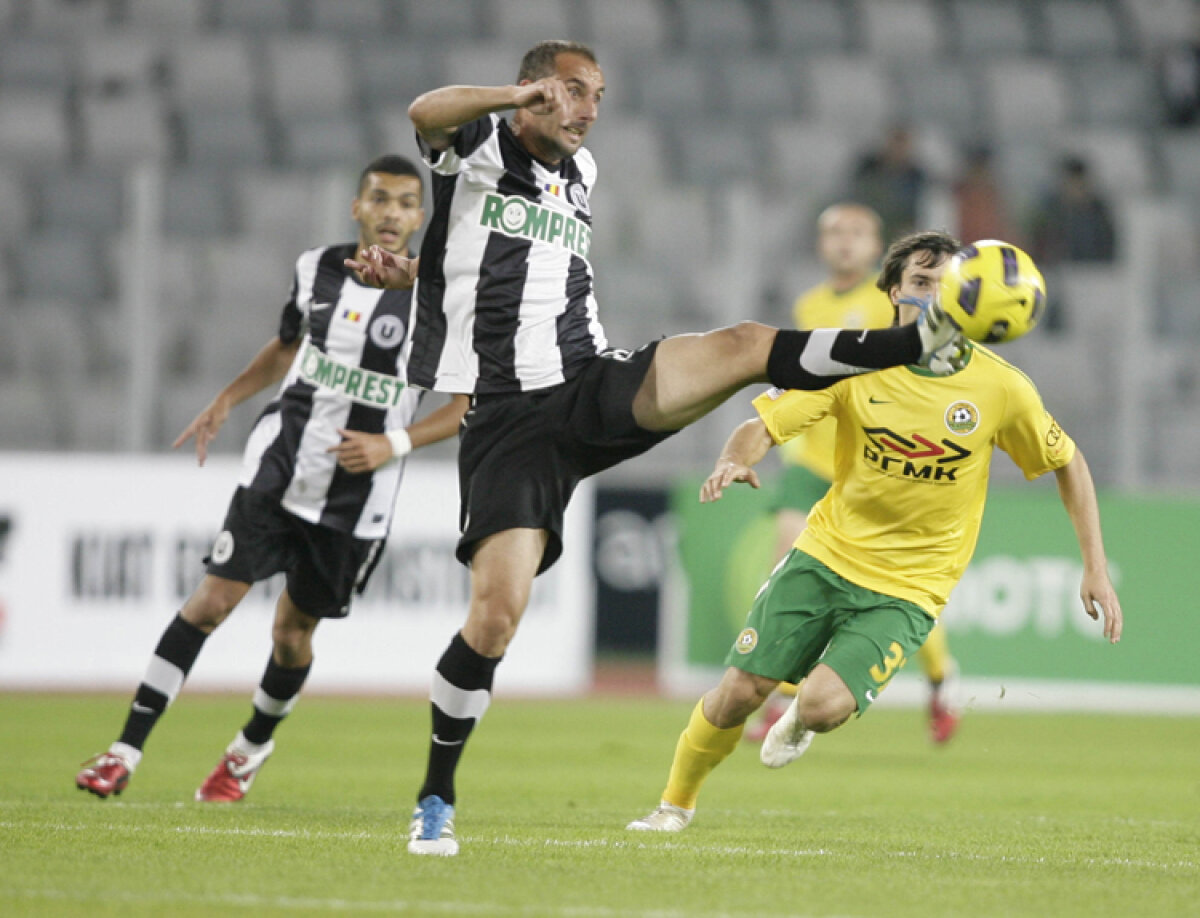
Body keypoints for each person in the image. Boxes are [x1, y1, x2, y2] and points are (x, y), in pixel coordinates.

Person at [346, 40, 966, 856]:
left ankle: (914, 341)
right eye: (573, 91)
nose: (588, 109)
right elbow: (425, 113)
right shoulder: (478, 143)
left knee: (742, 344)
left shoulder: (581, 172)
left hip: (591, 382)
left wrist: (418, 272)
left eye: (598, 95)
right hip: (509, 420)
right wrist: (511, 100)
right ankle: (436, 795)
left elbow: (497, 261)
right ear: (535, 89)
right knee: (495, 619)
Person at [626, 230, 1123, 834]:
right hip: (824, 555)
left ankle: (802, 720)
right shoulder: (849, 366)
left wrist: (1095, 566)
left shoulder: (1001, 388)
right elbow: (763, 423)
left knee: (821, 706)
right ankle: (673, 806)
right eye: (921, 282)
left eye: (949, 284)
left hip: (911, 586)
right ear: (892, 293)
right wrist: (734, 459)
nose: (937, 295)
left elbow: (1068, 462)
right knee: (738, 693)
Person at [75, 155, 470, 802]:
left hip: (356, 499)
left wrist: (392, 443)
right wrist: (227, 399)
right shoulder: (317, 267)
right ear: (357, 207)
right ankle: (123, 752)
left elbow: (463, 407)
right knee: (211, 602)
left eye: (405, 202)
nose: (391, 213)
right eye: (379, 198)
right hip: (281, 466)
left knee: (292, 637)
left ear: (420, 217)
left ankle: (249, 748)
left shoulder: (439, 301)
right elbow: (288, 345)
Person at [746, 204, 963, 747]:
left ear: (875, 247)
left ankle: (941, 680)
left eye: (857, 233)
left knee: (896, 590)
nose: (845, 242)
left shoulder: (894, 300)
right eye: (834, 233)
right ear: (821, 245)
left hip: (872, 469)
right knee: (783, 570)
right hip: (812, 463)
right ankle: (781, 700)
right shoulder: (810, 303)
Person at [1028, 156, 1117, 266]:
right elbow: (1040, 245)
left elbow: (1107, 247)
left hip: (1093, 270)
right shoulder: (1050, 212)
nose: (1075, 189)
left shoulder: (1098, 213)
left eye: (1079, 184)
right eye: (1071, 183)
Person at [848, 125, 927, 240]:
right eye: (895, 142)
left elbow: (917, 210)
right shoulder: (868, 169)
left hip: (898, 230)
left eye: (903, 143)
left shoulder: (916, 176)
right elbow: (855, 196)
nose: (898, 148)